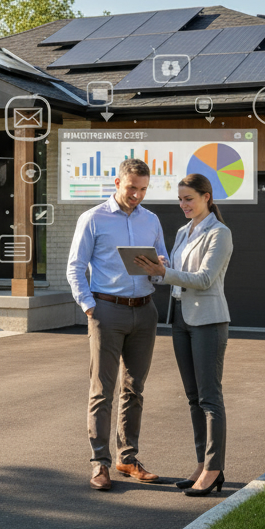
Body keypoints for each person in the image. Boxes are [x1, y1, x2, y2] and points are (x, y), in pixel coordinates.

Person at [67, 158, 169, 492]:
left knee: (134, 389)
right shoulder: (93, 218)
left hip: (145, 310)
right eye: (131, 188)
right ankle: (100, 463)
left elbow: (164, 262)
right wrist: (88, 306)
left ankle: (128, 457)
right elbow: (75, 267)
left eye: (143, 189)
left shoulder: (151, 220)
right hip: (107, 311)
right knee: (102, 391)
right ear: (117, 183)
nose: (137, 195)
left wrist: (161, 266)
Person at [133, 173, 233, 497]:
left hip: (208, 320)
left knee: (209, 398)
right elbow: (176, 275)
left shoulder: (220, 233)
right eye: (180, 199)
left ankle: (214, 468)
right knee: (193, 398)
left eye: (188, 198)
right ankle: (202, 464)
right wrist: (158, 267)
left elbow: (204, 279)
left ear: (207, 197)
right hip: (179, 318)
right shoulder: (182, 231)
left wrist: (165, 271)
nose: (183, 204)